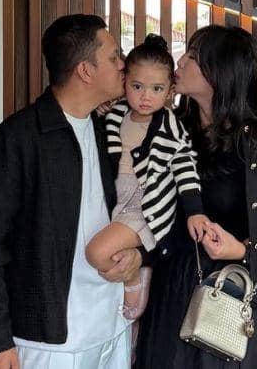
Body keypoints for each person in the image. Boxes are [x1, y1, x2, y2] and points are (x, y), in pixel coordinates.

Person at [134, 25, 257, 368]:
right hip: (174, 290)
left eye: (193, 56)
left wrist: (241, 250)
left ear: (220, 71)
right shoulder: (168, 129)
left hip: (238, 295)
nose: (180, 62)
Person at [0, 14, 143, 369]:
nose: (124, 65)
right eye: (114, 57)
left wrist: (137, 257)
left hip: (111, 327)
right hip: (46, 343)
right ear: (85, 71)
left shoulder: (109, 131)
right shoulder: (16, 140)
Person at [86, 34, 213, 320]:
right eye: (137, 86)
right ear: (124, 83)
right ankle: (140, 266)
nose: (146, 97)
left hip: (145, 205)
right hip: (115, 199)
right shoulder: (116, 114)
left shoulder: (171, 126)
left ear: (170, 91)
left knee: (97, 252)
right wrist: (99, 107)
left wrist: (195, 211)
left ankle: (135, 278)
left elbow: (185, 169)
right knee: (104, 251)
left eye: (157, 89)